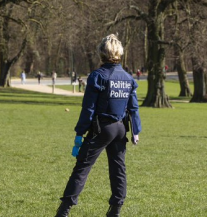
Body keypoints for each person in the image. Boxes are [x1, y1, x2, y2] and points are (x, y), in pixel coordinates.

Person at [55, 34, 142, 217]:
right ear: (119, 53)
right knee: (118, 169)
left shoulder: (98, 76)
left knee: (82, 168)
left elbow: (88, 108)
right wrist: (136, 131)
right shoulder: (127, 78)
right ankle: (115, 210)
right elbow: (133, 108)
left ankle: (64, 210)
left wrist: (80, 133)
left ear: (101, 53)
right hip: (120, 129)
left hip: (102, 128)